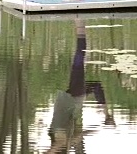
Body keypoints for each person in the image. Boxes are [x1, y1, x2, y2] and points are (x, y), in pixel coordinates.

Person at [46, 19, 115, 153]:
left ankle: (80, 25)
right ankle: (107, 114)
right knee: (95, 85)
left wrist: (55, 149)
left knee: (80, 57)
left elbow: (52, 149)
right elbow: (82, 134)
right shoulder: (68, 142)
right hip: (71, 100)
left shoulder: (60, 142)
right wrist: (97, 129)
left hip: (71, 99)